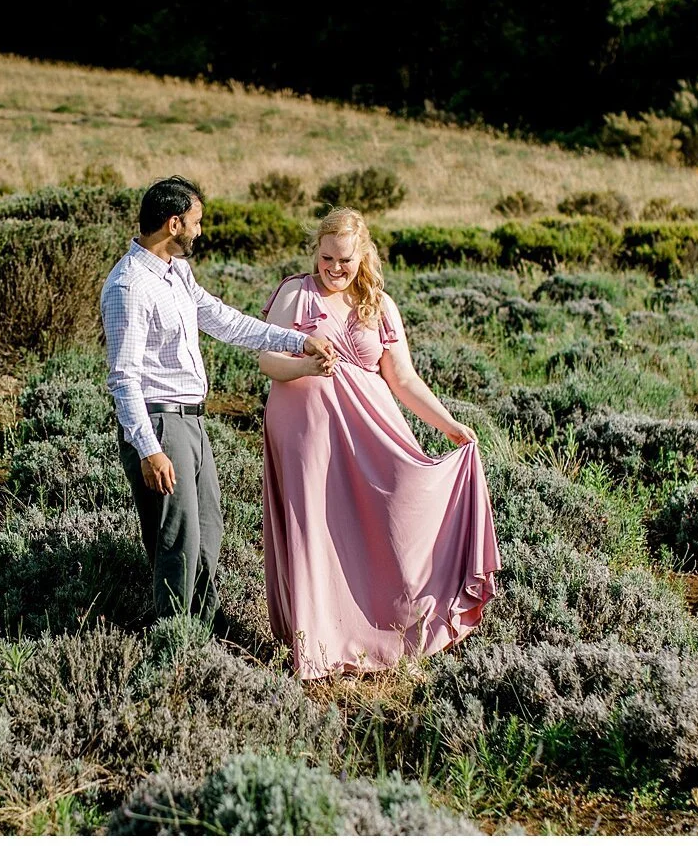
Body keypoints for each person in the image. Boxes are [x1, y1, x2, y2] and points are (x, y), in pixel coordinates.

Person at [257, 206, 501, 680]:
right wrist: (306, 367)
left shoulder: (379, 304)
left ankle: (386, 632)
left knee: (389, 520)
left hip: (372, 430)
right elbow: (268, 361)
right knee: (317, 529)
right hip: (306, 433)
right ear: (316, 252)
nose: (334, 269)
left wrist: (449, 424)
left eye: (345, 260)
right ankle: (317, 650)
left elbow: (403, 379)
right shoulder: (296, 294)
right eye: (326, 257)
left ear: (363, 255)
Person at [102, 176, 338, 626]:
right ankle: (174, 641)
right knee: (177, 540)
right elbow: (124, 377)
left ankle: (203, 631)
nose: (200, 230)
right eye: (196, 221)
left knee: (208, 532)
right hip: (160, 425)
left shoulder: (177, 273)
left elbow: (225, 322)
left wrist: (297, 340)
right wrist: (149, 449)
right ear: (174, 224)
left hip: (191, 423)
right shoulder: (129, 286)